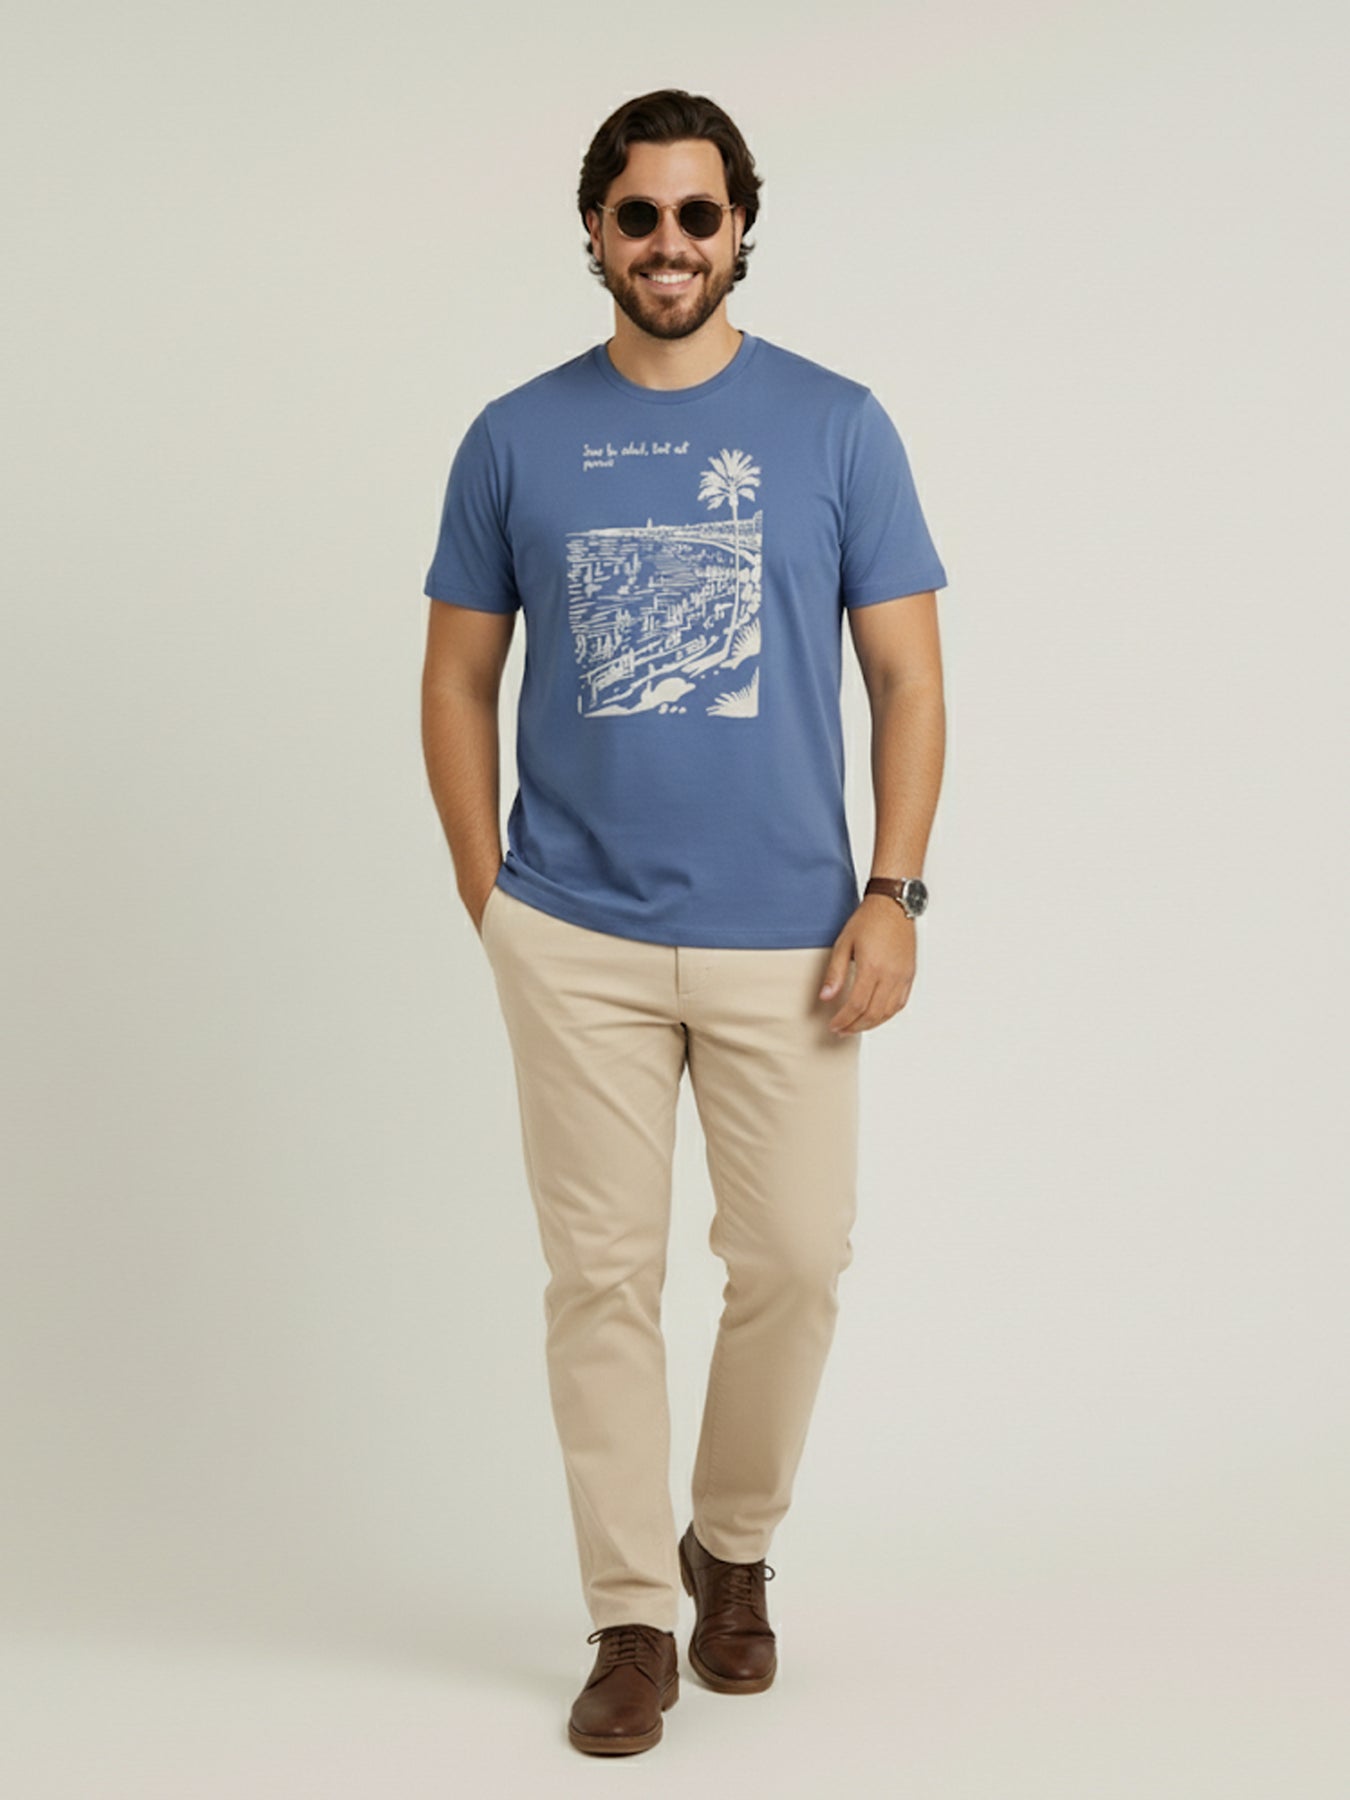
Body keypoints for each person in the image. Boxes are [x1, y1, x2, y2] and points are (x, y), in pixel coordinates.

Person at [420, 87, 949, 1757]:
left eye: (696, 214)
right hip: (571, 931)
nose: (668, 243)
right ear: (593, 230)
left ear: (740, 228)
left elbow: (907, 679)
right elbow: (455, 676)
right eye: (637, 214)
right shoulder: (514, 436)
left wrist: (893, 892)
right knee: (600, 1278)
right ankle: (630, 1618)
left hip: (790, 936)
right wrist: (489, 894)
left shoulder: (836, 426)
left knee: (793, 1261)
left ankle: (728, 1546)